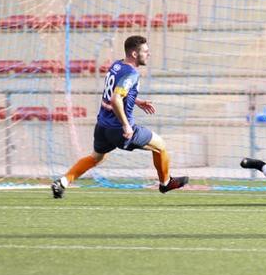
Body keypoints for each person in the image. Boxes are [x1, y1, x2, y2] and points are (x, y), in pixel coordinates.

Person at [50, 35, 188, 198]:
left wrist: (136, 101)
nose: (148, 54)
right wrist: (126, 125)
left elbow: (116, 92)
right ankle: (165, 183)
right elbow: (116, 99)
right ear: (135, 54)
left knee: (96, 158)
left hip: (102, 127)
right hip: (119, 129)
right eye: (145, 51)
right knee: (160, 146)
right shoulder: (131, 73)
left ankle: (62, 182)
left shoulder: (117, 65)